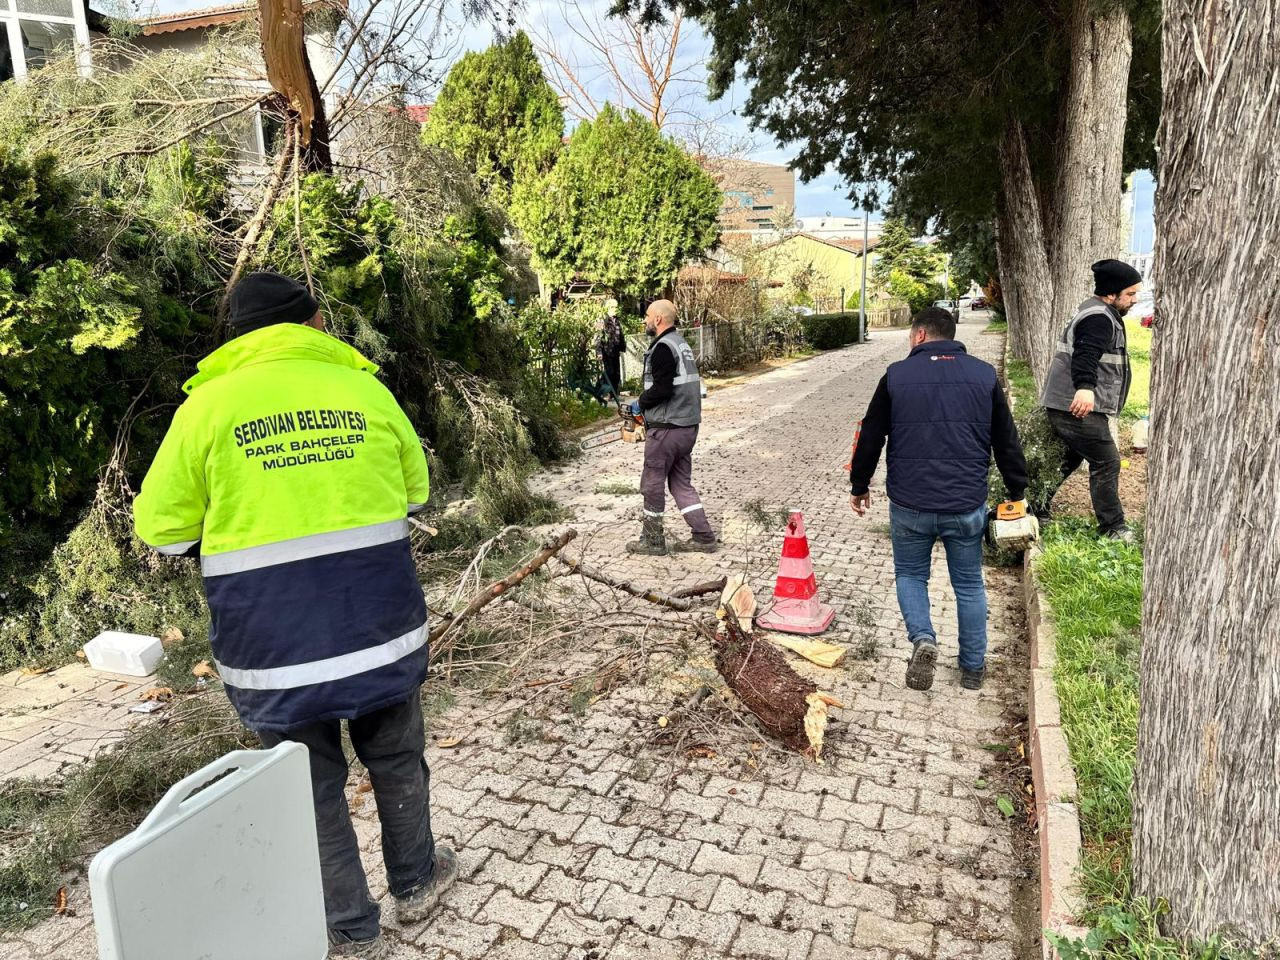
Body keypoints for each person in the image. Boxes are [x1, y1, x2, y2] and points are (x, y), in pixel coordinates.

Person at [133, 272, 457, 959]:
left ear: (240, 337)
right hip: (380, 634)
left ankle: (352, 928)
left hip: (273, 649)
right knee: (398, 760)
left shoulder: (207, 408)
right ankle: (418, 885)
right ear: (312, 322)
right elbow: (417, 490)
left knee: (312, 790)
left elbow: (161, 529)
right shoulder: (363, 389)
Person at [849, 307, 1028, 691]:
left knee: (911, 575)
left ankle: (923, 638)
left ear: (918, 336)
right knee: (968, 584)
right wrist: (1017, 489)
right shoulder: (984, 375)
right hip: (966, 504)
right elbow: (1006, 439)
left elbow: (870, 436)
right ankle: (973, 668)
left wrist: (859, 485)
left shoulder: (896, 375)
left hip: (910, 503)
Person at [1038, 259, 1140, 541]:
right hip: (1077, 406)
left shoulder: (1097, 311)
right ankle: (1114, 528)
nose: (1135, 299)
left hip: (1067, 403)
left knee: (1067, 459)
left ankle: (1035, 505)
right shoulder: (1099, 318)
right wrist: (1085, 388)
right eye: (1130, 293)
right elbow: (1086, 354)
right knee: (1107, 462)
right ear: (1111, 293)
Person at [626, 299, 718, 555]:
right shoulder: (680, 344)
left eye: (647, 316)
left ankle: (653, 540)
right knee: (680, 484)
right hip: (686, 427)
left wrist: (639, 404)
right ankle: (703, 536)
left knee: (652, 483)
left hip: (667, 428)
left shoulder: (663, 348)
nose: (644, 320)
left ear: (658, 319)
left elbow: (663, 389)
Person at [596, 299, 625, 404]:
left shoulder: (617, 320)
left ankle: (614, 394)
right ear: (608, 308)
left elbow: (620, 335)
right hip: (606, 352)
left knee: (616, 373)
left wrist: (622, 347)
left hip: (615, 351)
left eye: (616, 307)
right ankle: (603, 392)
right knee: (609, 373)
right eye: (613, 307)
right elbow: (598, 337)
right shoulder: (601, 320)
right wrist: (599, 352)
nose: (615, 309)